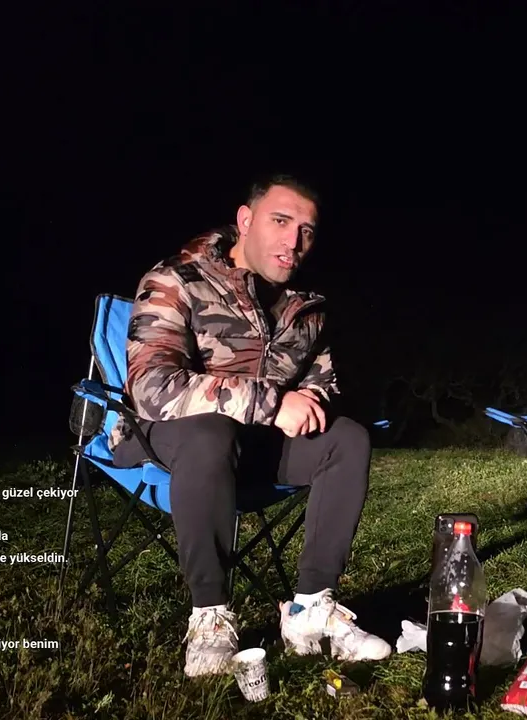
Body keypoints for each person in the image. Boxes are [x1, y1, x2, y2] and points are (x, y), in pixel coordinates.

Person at [107, 174, 392, 677]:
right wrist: (272, 403)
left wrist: (312, 398)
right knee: (210, 433)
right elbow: (152, 386)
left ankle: (310, 610)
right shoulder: (178, 278)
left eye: (306, 231)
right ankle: (210, 617)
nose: (293, 241)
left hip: (256, 446)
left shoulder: (305, 305)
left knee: (346, 438)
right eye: (280, 221)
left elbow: (324, 378)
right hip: (168, 435)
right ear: (245, 220)